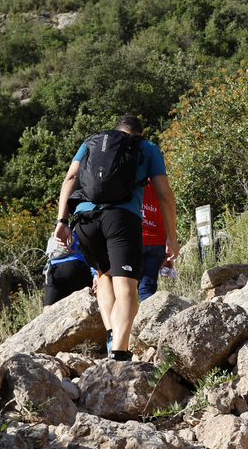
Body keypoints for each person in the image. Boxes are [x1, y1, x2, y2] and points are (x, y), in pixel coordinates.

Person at [54, 115, 178, 362]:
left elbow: (70, 178)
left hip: (84, 219)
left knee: (102, 275)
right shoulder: (147, 147)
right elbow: (164, 195)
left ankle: (112, 334)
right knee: (127, 287)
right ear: (140, 134)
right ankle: (119, 355)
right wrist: (171, 237)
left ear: (116, 131)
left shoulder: (91, 142)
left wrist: (61, 221)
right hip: (121, 219)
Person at [42, 230, 94, 310]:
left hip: (54, 269)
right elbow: (91, 251)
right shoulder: (80, 229)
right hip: (76, 266)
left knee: (49, 308)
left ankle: (45, 322)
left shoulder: (57, 231)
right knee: (87, 301)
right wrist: (95, 273)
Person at [139, 179, 171, 301]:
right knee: (147, 289)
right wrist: (169, 246)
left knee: (126, 288)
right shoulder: (160, 184)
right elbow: (167, 216)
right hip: (157, 243)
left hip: (134, 240)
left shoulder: (129, 179)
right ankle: (149, 318)